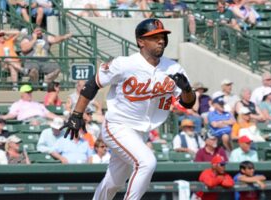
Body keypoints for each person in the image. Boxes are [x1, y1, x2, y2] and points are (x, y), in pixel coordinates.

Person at [60, 18, 196, 199]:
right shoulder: (124, 63)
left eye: (162, 36)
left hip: (141, 131)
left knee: (114, 182)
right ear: (141, 41)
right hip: (117, 125)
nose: (161, 40)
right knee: (147, 162)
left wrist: (187, 89)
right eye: (155, 37)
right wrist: (77, 114)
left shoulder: (173, 67)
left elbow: (188, 103)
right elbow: (93, 84)